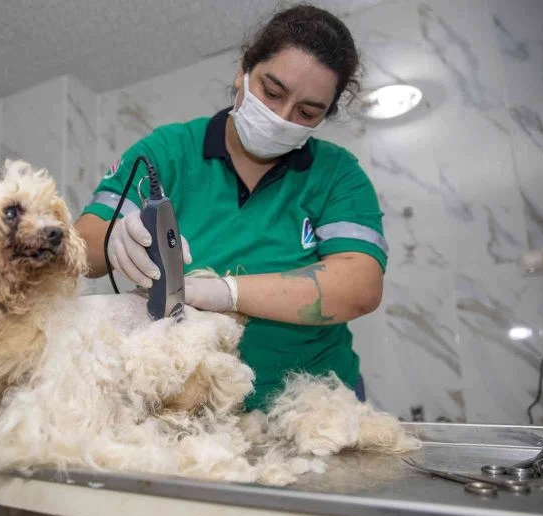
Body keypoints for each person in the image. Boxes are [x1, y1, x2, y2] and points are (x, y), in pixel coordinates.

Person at [74, 4, 386, 412]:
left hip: (314, 405)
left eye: (307, 112)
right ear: (243, 71)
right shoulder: (167, 152)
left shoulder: (338, 175)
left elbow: (360, 285)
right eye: (272, 92)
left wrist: (228, 293)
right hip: (190, 407)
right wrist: (114, 236)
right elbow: (82, 247)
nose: (282, 117)